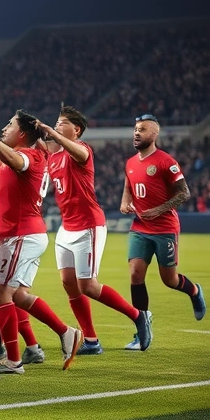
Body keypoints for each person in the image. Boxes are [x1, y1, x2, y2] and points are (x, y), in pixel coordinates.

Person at [0, 110, 82, 375]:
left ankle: (13, 360)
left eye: (10, 124)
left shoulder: (29, 156)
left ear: (22, 133)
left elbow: (13, 159)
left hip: (20, 235)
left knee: (1, 294)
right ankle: (66, 333)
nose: (4, 128)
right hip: (18, 236)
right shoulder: (23, 156)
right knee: (17, 295)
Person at [38, 107, 151, 354]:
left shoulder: (82, 150)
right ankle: (91, 340)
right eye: (56, 122)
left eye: (62, 122)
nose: (56, 125)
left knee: (88, 285)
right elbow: (41, 147)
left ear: (76, 130)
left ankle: (138, 316)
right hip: (66, 228)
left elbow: (74, 150)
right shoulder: (54, 157)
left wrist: (53, 135)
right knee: (69, 284)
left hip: (88, 225)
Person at [120, 114, 207, 351]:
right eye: (135, 129)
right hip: (140, 227)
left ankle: (195, 291)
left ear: (154, 134)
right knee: (136, 274)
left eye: (143, 129)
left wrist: (157, 210)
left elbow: (184, 193)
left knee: (169, 280)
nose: (137, 133)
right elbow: (128, 185)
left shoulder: (166, 161)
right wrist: (124, 201)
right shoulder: (130, 162)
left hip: (165, 228)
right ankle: (142, 326)